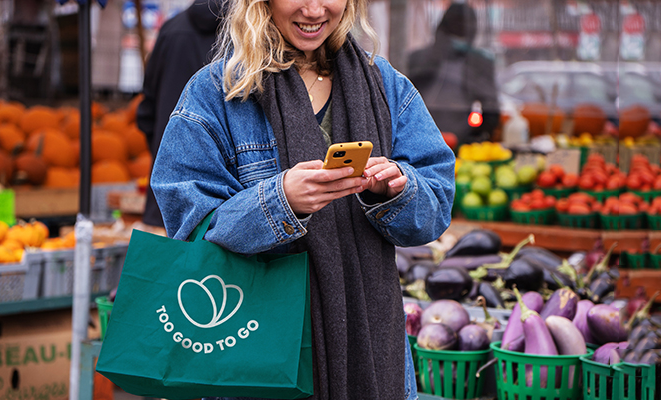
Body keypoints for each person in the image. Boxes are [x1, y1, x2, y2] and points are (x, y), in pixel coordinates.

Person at [151, 0, 455, 397]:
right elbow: (190, 227)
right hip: (256, 347)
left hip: (371, 347)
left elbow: (437, 203)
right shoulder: (216, 92)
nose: (314, 10)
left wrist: (396, 187)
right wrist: (279, 201)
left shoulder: (386, 85)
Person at [136, 0, 224, 236]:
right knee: (219, 272)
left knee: (170, 270)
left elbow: (146, 111)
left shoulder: (171, 29)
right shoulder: (246, 33)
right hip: (226, 201)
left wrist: (163, 154)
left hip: (165, 194)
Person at [407, 2, 499, 145]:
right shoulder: (418, 60)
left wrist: (475, 138)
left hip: (462, 141)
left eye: (466, 28)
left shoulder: (479, 63)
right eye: (456, 27)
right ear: (442, 29)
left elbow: (491, 108)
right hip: (419, 138)